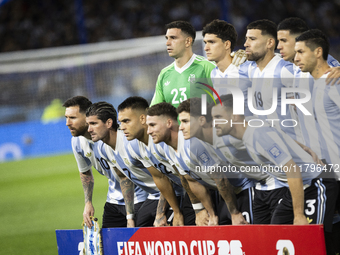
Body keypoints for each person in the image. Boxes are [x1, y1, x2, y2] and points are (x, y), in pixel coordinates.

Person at [212, 94, 338, 252]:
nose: (214, 122)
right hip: (297, 188)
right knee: (275, 238)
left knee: (310, 242)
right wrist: (303, 148)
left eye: (218, 117)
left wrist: (298, 215)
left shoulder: (257, 135)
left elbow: (292, 169)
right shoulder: (249, 127)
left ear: (234, 116)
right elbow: (277, 135)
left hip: (316, 183)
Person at [146, 102, 248, 225]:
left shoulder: (192, 143)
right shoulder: (168, 149)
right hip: (225, 194)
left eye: (152, 125)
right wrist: (211, 214)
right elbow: (192, 181)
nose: (148, 131)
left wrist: (234, 213)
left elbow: (220, 178)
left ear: (168, 123)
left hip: (243, 189)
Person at [85, 101, 175, 227]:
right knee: (138, 230)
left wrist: (160, 214)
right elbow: (124, 178)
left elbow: (164, 178)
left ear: (109, 123)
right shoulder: (102, 148)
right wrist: (129, 217)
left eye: (93, 124)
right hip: (153, 196)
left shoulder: (131, 143)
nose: (89, 129)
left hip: (170, 194)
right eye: (88, 124)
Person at [63, 96, 147, 228]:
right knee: (109, 245)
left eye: (72, 118)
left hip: (140, 197)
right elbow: (85, 172)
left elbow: (127, 175)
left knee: (136, 245)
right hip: (114, 199)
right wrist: (88, 202)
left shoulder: (112, 137)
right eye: (66, 118)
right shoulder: (77, 141)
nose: (67, 123)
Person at [295, 29, 340, 255]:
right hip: (323, 172)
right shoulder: (305, 84)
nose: (296, 58)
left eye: (301, 52)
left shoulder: (334, 81)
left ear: (319, 52)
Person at [177, 98, 255, 225]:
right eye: (180, 122)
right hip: (228, 193)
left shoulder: (227, 135)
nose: (180, 127)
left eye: (185, 121)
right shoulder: (195, 143)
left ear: (202, 120)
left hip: (248, 188)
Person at [244, 19, 301, 141]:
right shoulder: (251, 70)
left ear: (270, 43)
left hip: (295, 149)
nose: (246, 44)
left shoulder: (285, 70)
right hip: (268, 147)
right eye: (246, 39)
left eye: (252, 39)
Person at [150, 20, 216, 108]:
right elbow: (154, 112)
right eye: (167, 38)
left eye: (173, 38)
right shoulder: (164, 74)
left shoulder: (207, 67)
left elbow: (228, 103)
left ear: (188, 41)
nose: (167, 43)